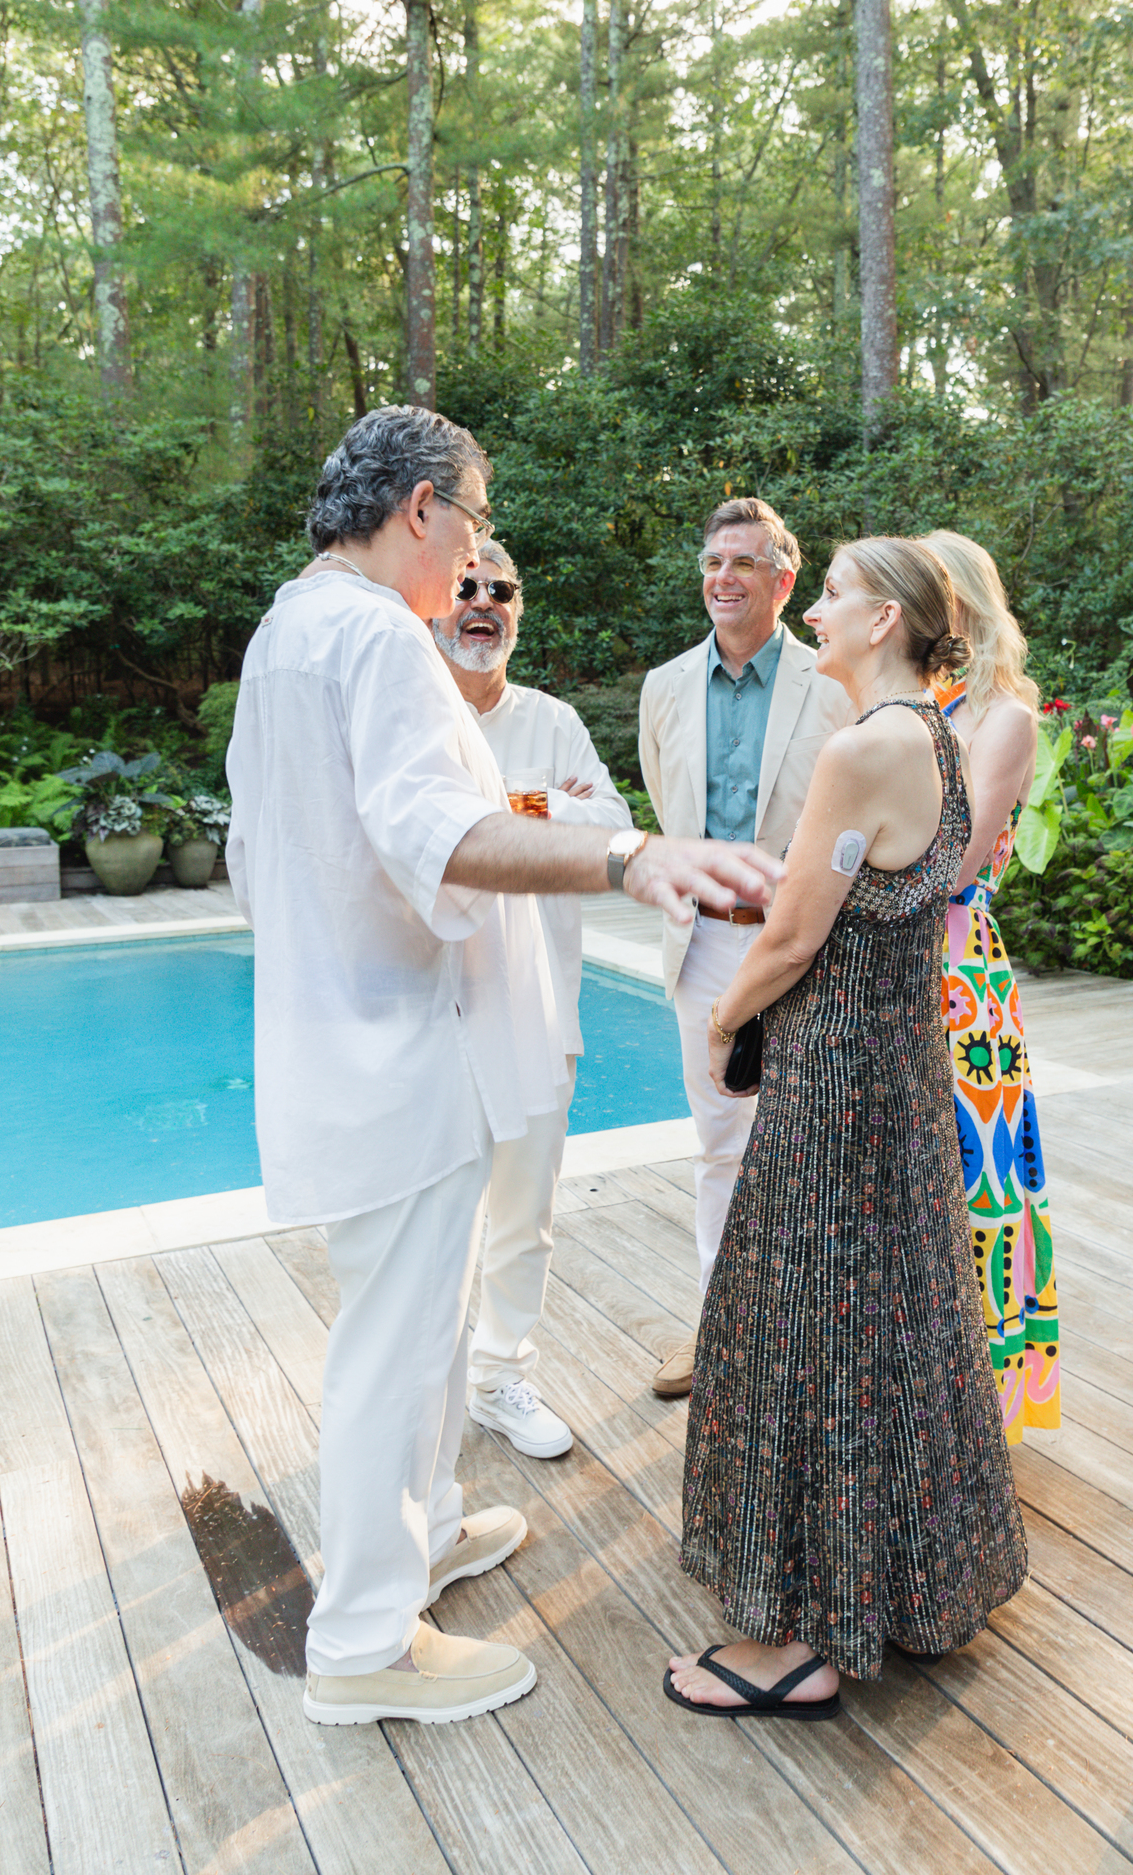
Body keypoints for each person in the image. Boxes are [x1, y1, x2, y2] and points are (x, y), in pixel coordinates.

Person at [226, 405, 780, 1730]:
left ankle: (416, 1544)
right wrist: (630, 858)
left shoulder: (288, 630)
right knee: (399, 1343)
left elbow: (271, 847)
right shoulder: (378, 637)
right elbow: (449, 826)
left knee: (420, 1316)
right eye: (470, 523)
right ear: (421, 508)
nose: (476, 559)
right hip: (401, 1045)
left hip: (351, 1031)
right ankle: (365, 1640)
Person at [668, 538, 1029, 1718]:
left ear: (884, 622)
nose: (811, 610)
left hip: (832, 1087)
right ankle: (910, 1593)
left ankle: (803, 1642)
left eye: (829, 594)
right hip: (902, 1076)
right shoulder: (940, 737)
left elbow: (788, 938)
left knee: (805, 1337)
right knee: (895, 1328)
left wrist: (725, 1024)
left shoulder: (865, 744)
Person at [638, 497, 852, 1398]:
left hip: (810, 948)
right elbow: (663, 801)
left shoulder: (836, 686)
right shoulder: (663, 688)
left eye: (743, 564)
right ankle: (722, 1329)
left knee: (818, 1144)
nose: (722, 579)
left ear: (783, 580)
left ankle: (813, 1342)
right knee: (721, 1145)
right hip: (703, 949)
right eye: (712, 563)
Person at [431, 537, 631, 1460]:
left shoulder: (552, 718)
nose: (481, 603)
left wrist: (530, 808)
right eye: (465, 586)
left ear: (519, 607)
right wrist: (546, 804)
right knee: (430, 1218)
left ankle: (499, 1375)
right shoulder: (412, 710)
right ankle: (422, 1389)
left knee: (523, 1215)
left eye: (499, 590)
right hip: (430, 1012)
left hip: (539, 1006)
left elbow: (615, 831)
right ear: (436, 600)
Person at [920, 528, 1060, 1445]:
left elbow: (961, 856)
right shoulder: (926, 700)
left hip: (959, 962)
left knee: (980, 1173)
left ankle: (986, 1400)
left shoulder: (1003, 714)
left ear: (960, 603)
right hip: (900, 949)